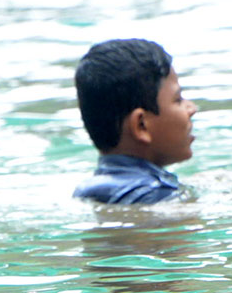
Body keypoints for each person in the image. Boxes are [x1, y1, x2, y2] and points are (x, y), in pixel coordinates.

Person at [72, 38, 197, 205]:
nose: (192, 108)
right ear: (141, 126)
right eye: (178, 99)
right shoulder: (157, 195)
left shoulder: (89, 190)